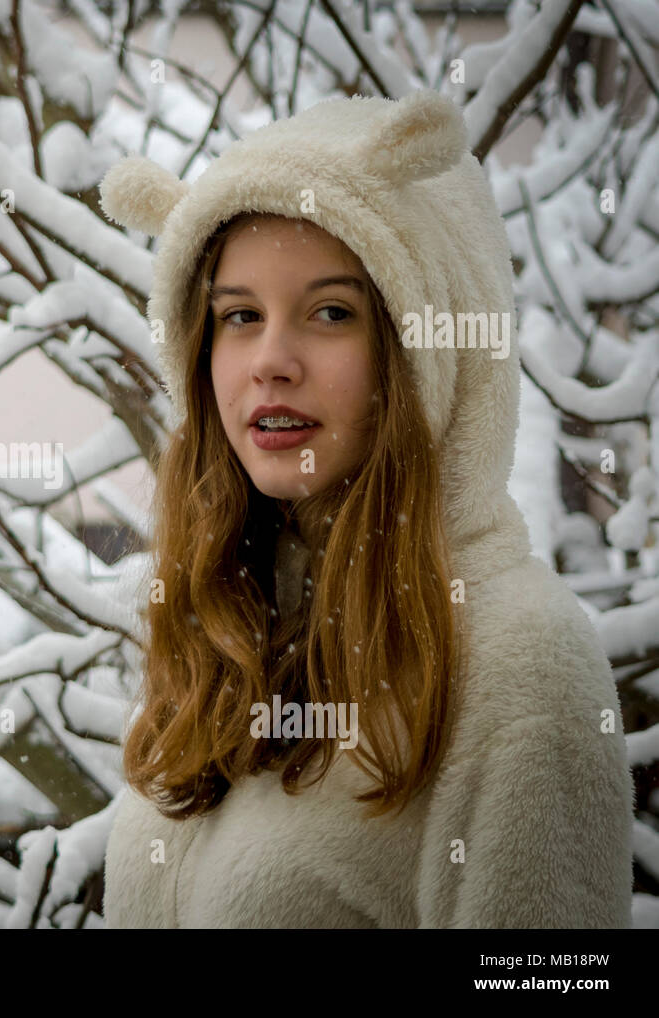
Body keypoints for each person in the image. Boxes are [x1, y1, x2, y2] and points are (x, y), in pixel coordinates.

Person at [95, 89, 634, 928]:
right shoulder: (225, 633)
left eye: (331, 312)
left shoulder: (519, 665)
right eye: (240, 315)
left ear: (426, 351)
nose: (270, 360)